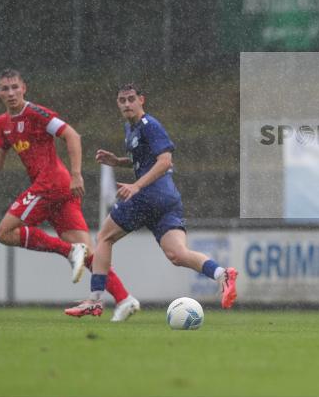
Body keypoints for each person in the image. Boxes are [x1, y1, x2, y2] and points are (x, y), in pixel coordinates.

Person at [0, 69, 137, 321]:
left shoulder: (36, 113)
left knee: (4, 233)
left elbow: (71, 135)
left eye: (15, 87)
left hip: (52, 182)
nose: (11, 93)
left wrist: (77, 174)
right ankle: (125, 299)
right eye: (5, 89)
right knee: (89, 254)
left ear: (25, 88)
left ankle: (67, 251)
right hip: (53, 189)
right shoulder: (2, 123)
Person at [65, 84, 238, 317]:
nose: (126, 104)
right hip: (167, 199)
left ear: (141, 100)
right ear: (118, 104)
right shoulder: (131, 128)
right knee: (178, 254)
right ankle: (221, 274)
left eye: (131, 99)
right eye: (122, 100)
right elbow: (145, 160)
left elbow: (165, 160)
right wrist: (118, 162)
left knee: (104, 237)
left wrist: (136, 186)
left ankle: (94, 300)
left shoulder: (150, 125)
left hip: (149, 196)